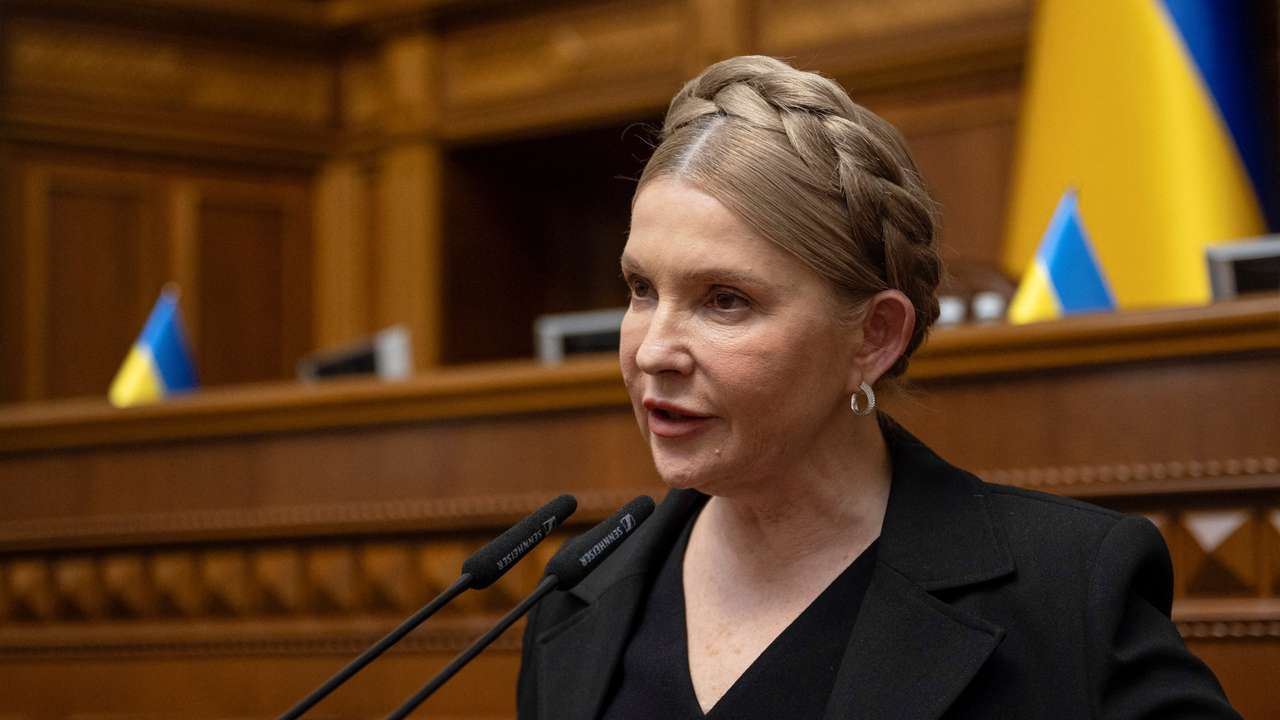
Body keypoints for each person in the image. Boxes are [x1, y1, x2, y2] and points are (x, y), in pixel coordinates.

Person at [516, 56, 1239, 719]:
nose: (654, 351)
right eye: (642, 290)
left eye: (724, 300)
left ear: (874, 337)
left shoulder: (1070, 591)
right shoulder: (580, 595)